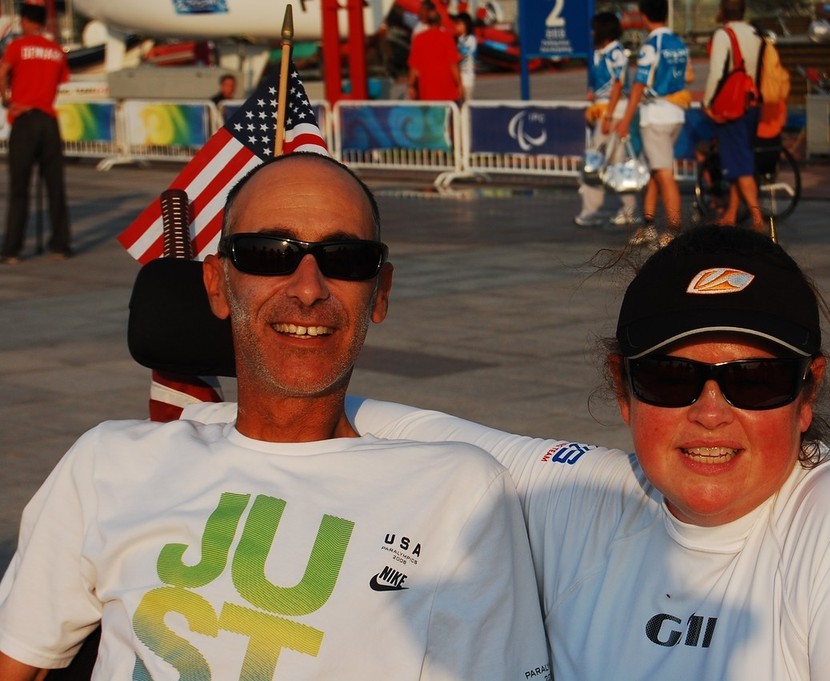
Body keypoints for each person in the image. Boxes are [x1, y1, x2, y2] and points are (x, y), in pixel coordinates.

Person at [340, 226, 830, 680]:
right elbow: (424, 434)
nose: (711, 411)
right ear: (622, 389)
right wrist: (239, 404)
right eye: (672, 378)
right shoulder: (596, 505)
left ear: (806, 394)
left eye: (754, 379)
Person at [0, 154, 550, 680]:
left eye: (345, 260)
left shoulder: (456, 493)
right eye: (268, 253)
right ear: (217, 284)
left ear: (379, 293)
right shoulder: (108, 464)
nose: (309, 288)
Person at [614, 0, 690, 247]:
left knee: (664, 175)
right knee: (656, 172)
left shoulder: (651, 45)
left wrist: (625, 119)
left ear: (644, 17)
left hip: (655, 116)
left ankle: (674, 231)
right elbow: (688, 75)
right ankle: (648, 225)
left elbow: (638, 85)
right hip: (676, 114)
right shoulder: (678, 43)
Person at [0, 1, 71, 264]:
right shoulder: (55, 50)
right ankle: (61, 244)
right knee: (55, 186)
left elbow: (3, 70)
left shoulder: (17, 46)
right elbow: (61, 81)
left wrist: (7, 98)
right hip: (48, 120)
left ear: (28, 22)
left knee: (20, 187)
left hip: (25, 118)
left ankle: (12, 249)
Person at [702, 0, 764, 232]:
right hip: (752, 103)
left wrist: (708, 103)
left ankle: (757, 219)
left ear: (722, 11)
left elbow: (717, 73)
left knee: (740, 164)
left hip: (732, 107)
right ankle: (731, 213)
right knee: (741, 158)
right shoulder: (755, 33)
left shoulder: (723, 35)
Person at [575, 11, 638, 229]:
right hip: (602, 111)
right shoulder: (598, 53)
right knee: (603, 161)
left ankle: (602, 210)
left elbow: (618, 85)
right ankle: (594, 208)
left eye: (595, 28)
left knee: (609, 162)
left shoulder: (616, 53)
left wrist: (609, 115)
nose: (591, 32)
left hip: (613, 113)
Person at [406, 1, 462, 102]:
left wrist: (411, 86)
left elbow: (413, 66)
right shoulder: (447, 38)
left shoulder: (419, 38)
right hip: (446, 89)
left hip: (427, 88)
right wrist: (459, 84)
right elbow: (453, 64)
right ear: (440, 22)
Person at [453, 12, 476, 102]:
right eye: (456, 24)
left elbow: (460, 56)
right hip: (457, 76)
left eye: (459, 24)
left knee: (466, 103)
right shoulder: (456, 39)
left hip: (467, 77)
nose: (456, 26)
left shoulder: (470, 39)